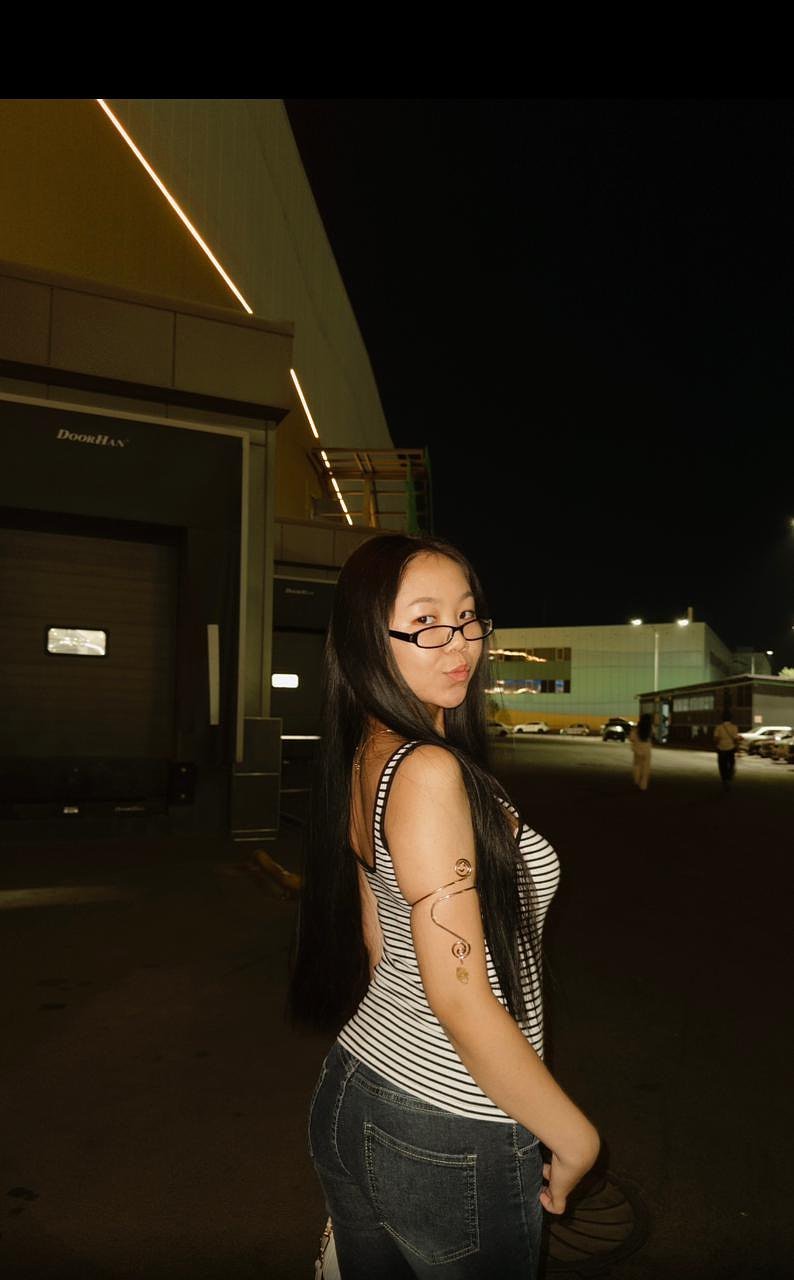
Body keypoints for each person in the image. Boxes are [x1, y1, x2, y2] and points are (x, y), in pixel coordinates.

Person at [288, 534, 599, 1278]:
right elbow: (459, 996)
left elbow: (379, 945)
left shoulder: (368, 755)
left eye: (466, 616)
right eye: (425, 622)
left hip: (359, 1086)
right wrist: (575, 1137)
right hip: (450, 1122)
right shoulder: (425, 772)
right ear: (367, 638)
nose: (458, 642)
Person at [628, 713, 653, 791]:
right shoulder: (649, 729)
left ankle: (637, 780)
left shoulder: (636, 729)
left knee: (637, 765)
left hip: (637, 749)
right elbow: (651, 738)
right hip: (646, 751)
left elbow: (631, 738)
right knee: (645, 767)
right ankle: (643, 784)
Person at [714, 714, 740, 785]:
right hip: (731, 748)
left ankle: (724, 778)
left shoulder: (718, 727)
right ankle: (729, 777)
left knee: (722, 764)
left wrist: (716, 746)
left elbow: (716, 738)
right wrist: (737, 747)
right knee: (731, 763)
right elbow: (735, 739)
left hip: (721, 748)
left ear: (722, 719)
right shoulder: (734, 727)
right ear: (730, 719)